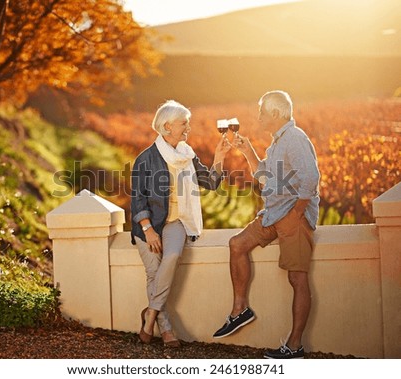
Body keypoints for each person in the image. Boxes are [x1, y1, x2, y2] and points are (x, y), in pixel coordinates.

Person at [212, 90, 320, 359]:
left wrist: (297, 212)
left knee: (297, 278)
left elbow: (311, 178)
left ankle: (294, 346)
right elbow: (265, 178)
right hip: (273, 214)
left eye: (261, 111)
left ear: (275, 113)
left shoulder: (295, 139)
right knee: (237, 244)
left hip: (292, 217)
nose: (258, 116)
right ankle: (240, 310)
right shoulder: (277, 142)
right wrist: (248, 151)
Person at [131, 100, 230, 347]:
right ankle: (165, 329)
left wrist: (219, 157)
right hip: (148, 224)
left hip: (176, 221)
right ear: (167, 126)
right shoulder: (146, 159)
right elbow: (137, 199)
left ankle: (150, 314)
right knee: (154, 274)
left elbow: (209, 182)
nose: (188, 127)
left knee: (172, 256)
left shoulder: (188, 154)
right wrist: (148, 230)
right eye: (183, 123)